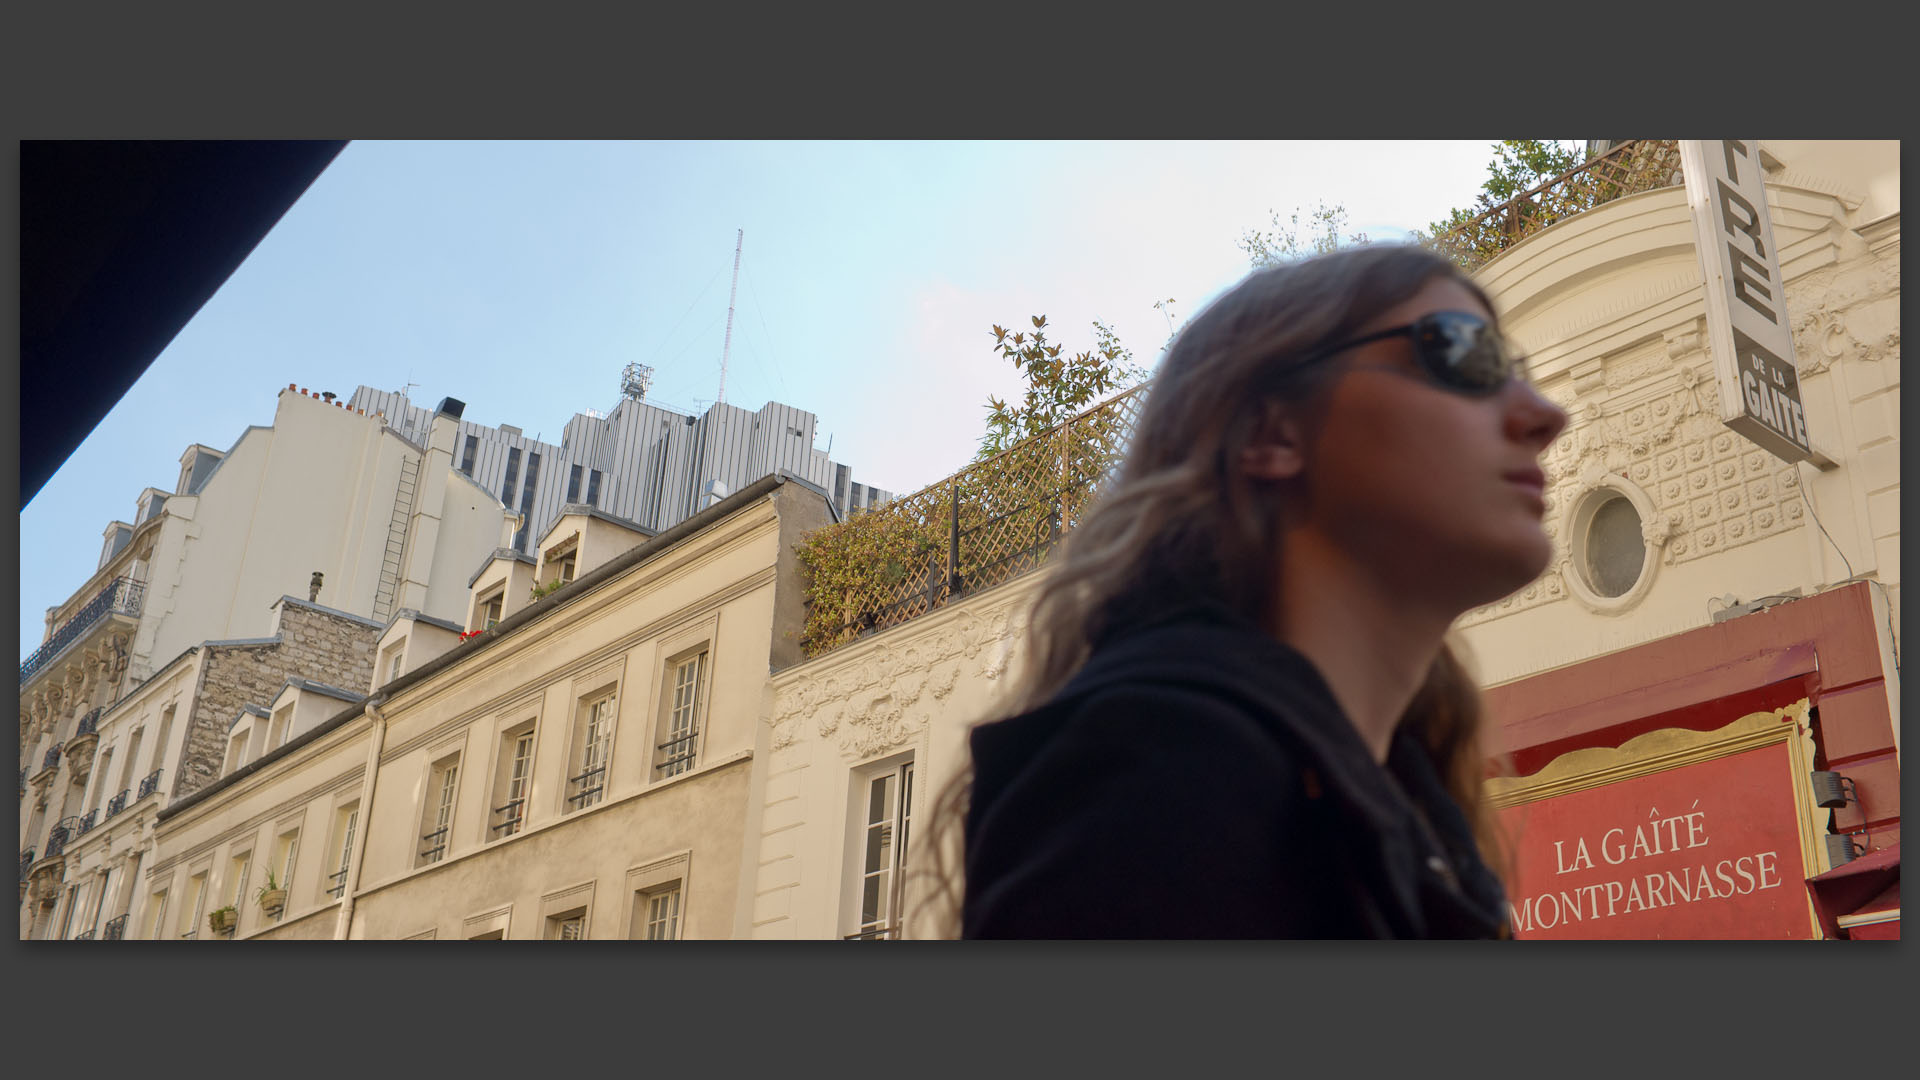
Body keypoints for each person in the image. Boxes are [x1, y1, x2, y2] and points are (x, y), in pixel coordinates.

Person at [922, 243, 1568, 938]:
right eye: (1463, 352)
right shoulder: (1155, 780)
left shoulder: (1403, 824)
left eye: (1516, 368)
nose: (1543, 413)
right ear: (1269, 430)